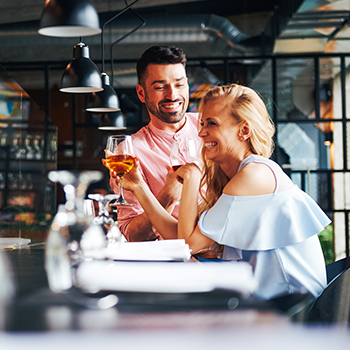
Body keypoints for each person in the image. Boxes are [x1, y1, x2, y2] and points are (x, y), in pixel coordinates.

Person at [122, 84, 329, 300]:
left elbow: (187, 245)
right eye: (202, 123)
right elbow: (183, 236)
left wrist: (192, 179)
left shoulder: (254, 175)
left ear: (244, 131)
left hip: (293, 307)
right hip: (270, 298)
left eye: (211, 124)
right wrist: (138, 186)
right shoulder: (241, 174)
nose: (201, 132)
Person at [108, 45, 201, 242]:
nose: (172, 95)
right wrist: (167, 197)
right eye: (160, 87)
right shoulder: (129, 151)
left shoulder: (210, 126)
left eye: (179, 84)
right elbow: (133, 235)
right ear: (141, 94)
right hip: (170, 263)